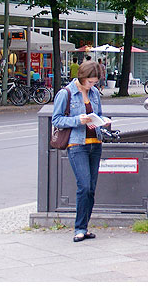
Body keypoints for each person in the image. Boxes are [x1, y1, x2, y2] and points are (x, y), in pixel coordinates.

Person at [52, 61, 111, 242]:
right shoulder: (66, 93)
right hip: (77, 144)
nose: (93, 86)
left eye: (94, 82)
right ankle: (79, 228)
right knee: (84, 185)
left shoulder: (94, 94)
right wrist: (78, 120)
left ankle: (85, 227)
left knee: (91, 188)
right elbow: (57, 120)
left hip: (95, 143)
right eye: (90, 82)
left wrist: (103, 122)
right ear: (82, 78)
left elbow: (98, 114)